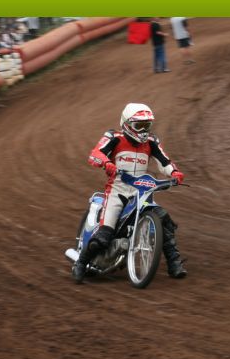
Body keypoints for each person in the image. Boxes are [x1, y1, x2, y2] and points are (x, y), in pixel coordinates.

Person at [72, 103, 187, 283]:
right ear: (126, 124)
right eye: (139, 125)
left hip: (141, 192)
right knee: (104, 236)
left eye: (147, 125)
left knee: (164, 220)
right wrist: (106, 163)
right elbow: (95, 153)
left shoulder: (151, 142)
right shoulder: (114, 138)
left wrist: (174, 173)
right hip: (117, 191)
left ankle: (174, 264)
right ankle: (80, 263)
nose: (144, 131)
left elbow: (164, 161)